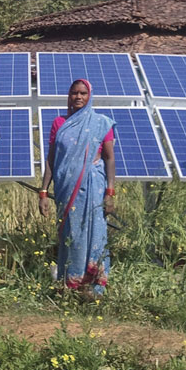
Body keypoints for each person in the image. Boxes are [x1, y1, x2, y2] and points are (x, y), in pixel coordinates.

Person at [38, 79, 116, 299]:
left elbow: (109, 159)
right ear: (69, 95)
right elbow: (52, 159)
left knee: (94, 236)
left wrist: (110, 193)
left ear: (89, 95)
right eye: (74, 93)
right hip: (66, 190)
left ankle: (93, 288)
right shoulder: (59, 123)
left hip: (93, 190)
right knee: (70, 236)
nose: (78, 97)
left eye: (83, 93)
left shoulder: (101, 123)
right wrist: (43, 191)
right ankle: (71, 286)